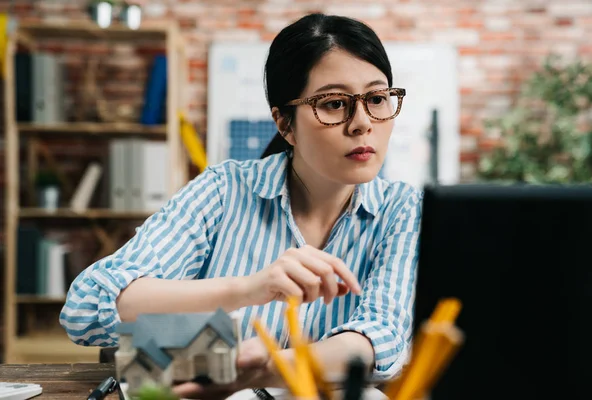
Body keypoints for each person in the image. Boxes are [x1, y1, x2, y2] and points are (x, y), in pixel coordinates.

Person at [60, 12, 422, 398]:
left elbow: (380, 336)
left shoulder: (402, 210)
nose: (362, 122)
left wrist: (263, 369)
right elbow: (86, 307)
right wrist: (248, 288)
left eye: (377, 98)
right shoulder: (223, 191)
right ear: (284, 124)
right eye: (334, 104)